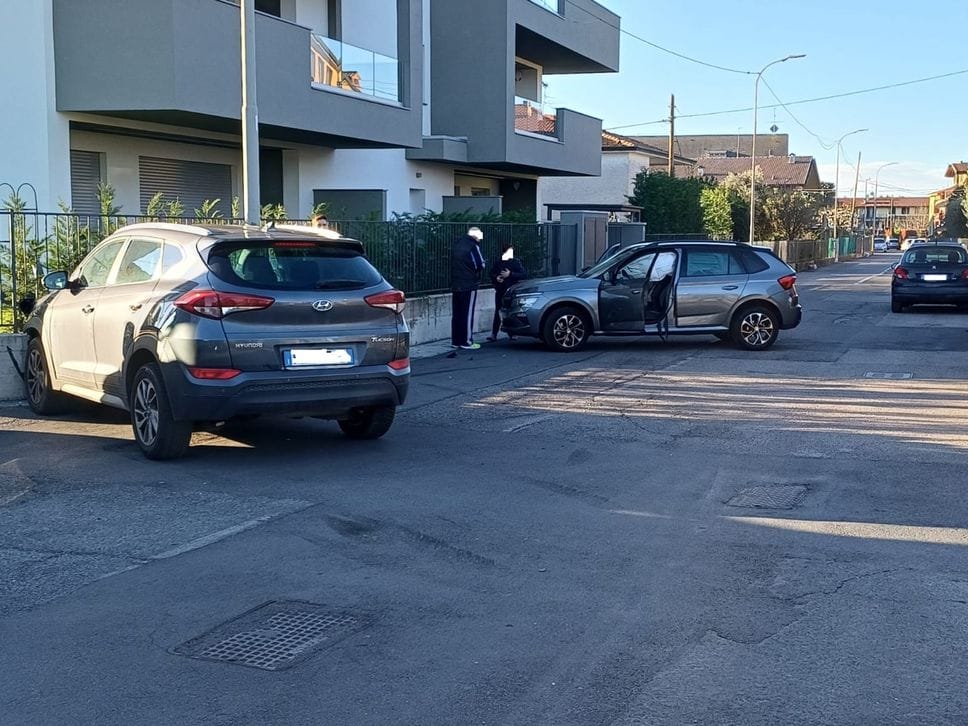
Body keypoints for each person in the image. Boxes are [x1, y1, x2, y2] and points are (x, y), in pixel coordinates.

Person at [450, 226, 486, 350]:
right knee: (467, 313)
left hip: (456, 283)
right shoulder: (472, 246)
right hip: (469, 284)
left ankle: (456, 341)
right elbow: (480, 264)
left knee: (457, 314)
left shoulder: (458, 244)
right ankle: (467, 341)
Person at [486, 243, 527, 342]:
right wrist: (497, 277)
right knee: (498, 311)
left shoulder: (515, 262)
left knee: (511, 311)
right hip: (500, 290)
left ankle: (512, 333)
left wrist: (510, 274)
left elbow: (523, 274)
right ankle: (494, 334)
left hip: (511, 290)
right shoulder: (499, 262)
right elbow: (491, 273)